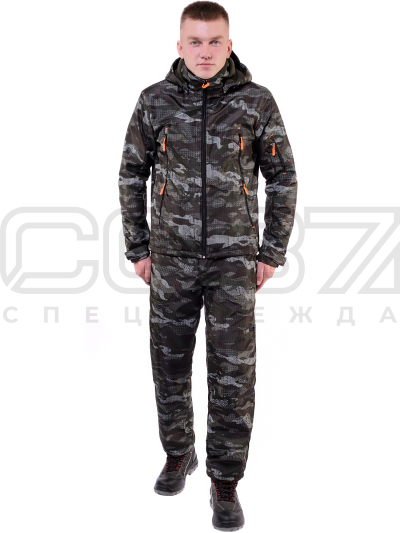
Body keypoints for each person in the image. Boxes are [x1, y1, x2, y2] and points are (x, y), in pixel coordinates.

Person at [118, 1, 297, 530]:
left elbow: (283, 178)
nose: (204, 51)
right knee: (169, 364)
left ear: (229, 44)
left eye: (214, 41)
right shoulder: (154, 101)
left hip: (232, 263)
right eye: (194, 42)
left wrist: (271, 251)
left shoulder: (256, 101)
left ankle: (225, 481)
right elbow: (131, 174)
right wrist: (139, 247)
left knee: (233, 375)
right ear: (179, 46)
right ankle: (179, 453)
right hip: (170, 260)